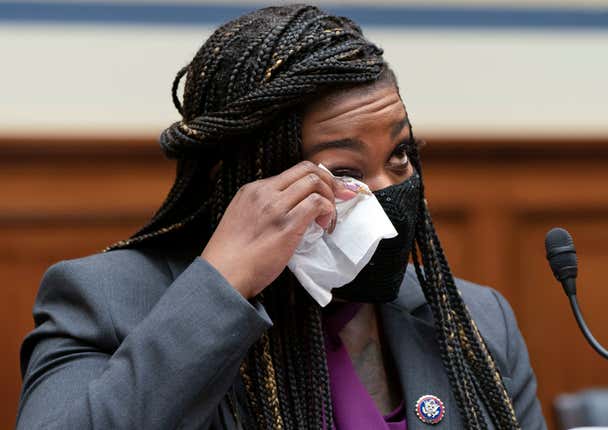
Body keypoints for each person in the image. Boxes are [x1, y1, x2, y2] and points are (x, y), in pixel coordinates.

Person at [17, 5, 546, 429]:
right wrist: (222, 283)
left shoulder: (474, 318)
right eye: (344, 170)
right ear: (247, 179)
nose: (387, 191)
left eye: (400, 155)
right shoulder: (106, 300)